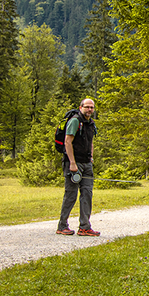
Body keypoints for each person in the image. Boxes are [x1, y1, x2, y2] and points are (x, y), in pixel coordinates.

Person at [56, 98, 99, 236]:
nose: (89, 110)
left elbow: (90, 142)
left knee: (87, 194)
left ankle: (85, 227)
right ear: (81, 107)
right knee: (71, 195)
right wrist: (72, 163)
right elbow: (68, 142)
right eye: (87, 107)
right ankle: (62, 225)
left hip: (87, 164)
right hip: (73, 164)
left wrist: (91, 157)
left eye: (92, 107)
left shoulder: (91, 124)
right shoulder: (75, 121)